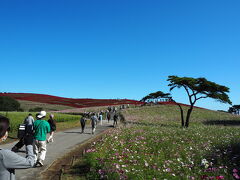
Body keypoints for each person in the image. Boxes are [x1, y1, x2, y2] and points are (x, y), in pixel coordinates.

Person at [0, 115, 35, 180]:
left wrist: (18, 145)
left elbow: (10, 157)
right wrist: (29, 145)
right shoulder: (4, 155)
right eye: (8, 129)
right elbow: (30, 163)